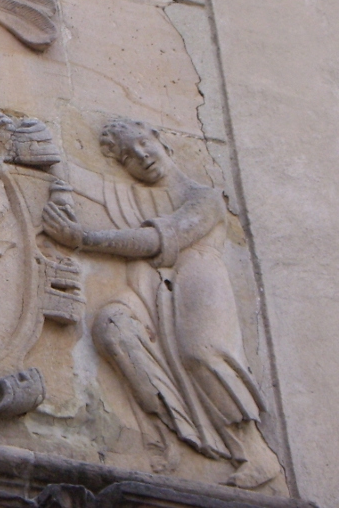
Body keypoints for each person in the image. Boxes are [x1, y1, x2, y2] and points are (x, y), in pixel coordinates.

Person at [42, 119, 280, 488]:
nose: (140, 156)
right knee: (113, 326)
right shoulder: (128, 194)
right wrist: (32, 138)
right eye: (127, 156)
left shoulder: (205, 198)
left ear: (161, 141)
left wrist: (82, 238)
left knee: (201, 353)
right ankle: (169, 436)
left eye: (142, 143)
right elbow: (77, 177)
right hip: (148, 287)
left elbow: (156, 241)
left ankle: (252, 449)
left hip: (197, 277)